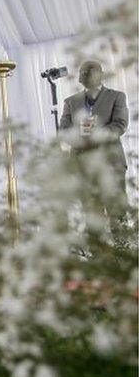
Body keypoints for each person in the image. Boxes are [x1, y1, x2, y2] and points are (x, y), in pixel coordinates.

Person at [59, 60, 131, 246]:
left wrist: (95, 136)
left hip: (111, 165)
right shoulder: (71, 102)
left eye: (89, 72)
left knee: (117, 211)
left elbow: (120, 125)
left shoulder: (117, 97)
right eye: (82, 72)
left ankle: (123, 256)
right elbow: (64, 131)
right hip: (83, 167)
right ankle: (99, 260)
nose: (84, 76)